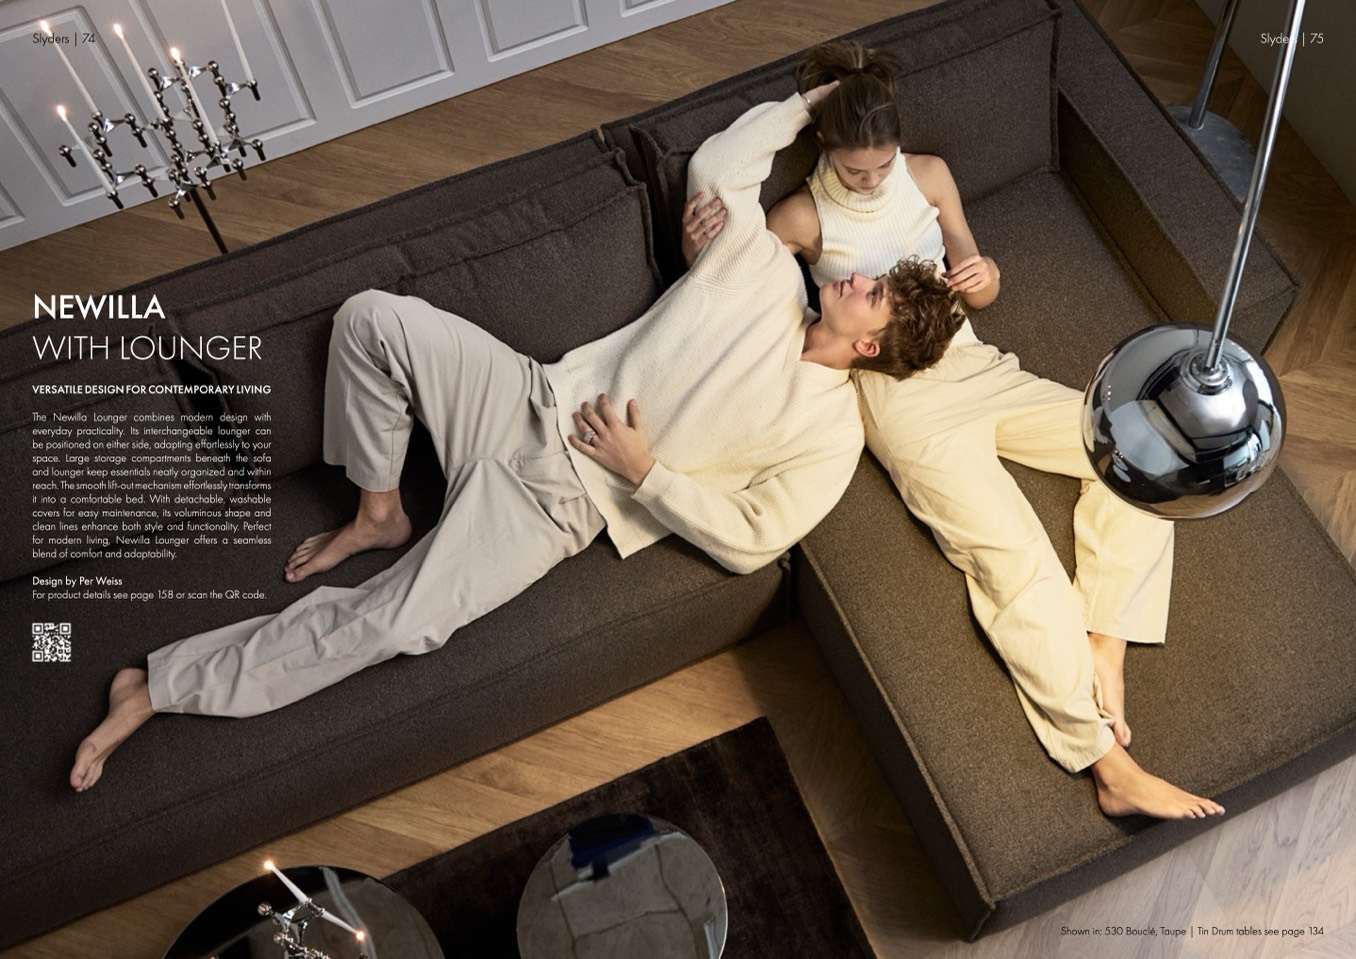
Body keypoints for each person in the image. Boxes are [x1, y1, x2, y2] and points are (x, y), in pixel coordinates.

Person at [69, 82, 950, 793]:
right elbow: (720, 164)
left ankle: (159, 686)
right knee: (372, 319)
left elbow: (757, 536)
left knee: (393, 622)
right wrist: (810, 103)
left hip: (556, 505)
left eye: (872, 291)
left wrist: (646, 474)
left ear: (872, 345)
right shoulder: (763, 269)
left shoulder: (829, 434)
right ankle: (379, 511)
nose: (854, 275)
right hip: (527, 394)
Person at [684, 41, 1223, 821]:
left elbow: (979, 277)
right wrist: (698, 245)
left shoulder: (928, 176)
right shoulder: (800, 216)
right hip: (898, 398)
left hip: (972, 359)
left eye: (882, 164)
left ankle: (1106, 637)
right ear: (823, 143)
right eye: (856, 170)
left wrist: (983, 273)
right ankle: (1107, 762)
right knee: (1012, 556)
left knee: (1136, 445)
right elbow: (736, 287)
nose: (872, 180)